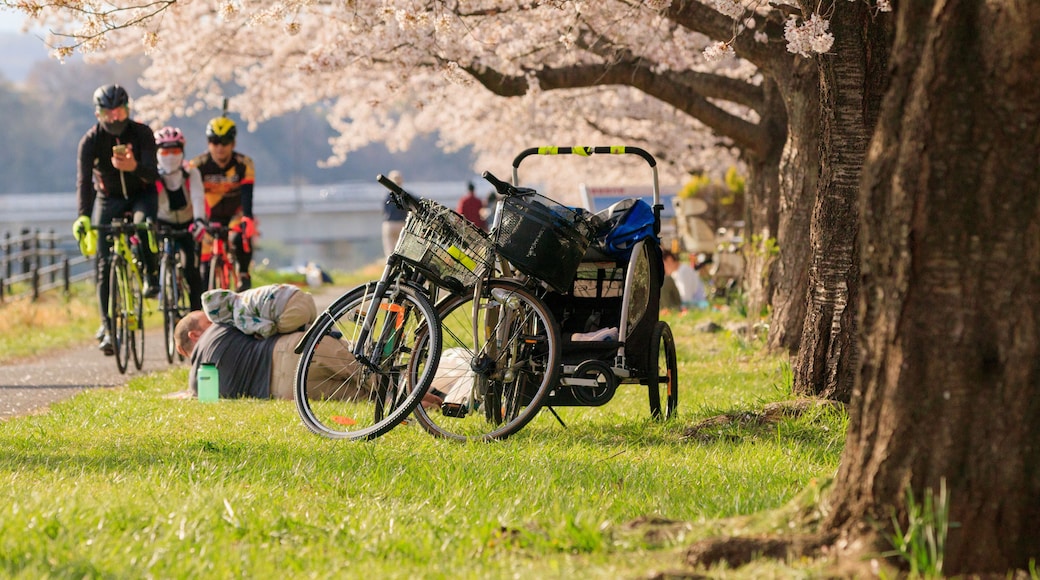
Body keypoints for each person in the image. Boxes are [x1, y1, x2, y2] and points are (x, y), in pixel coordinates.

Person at [73, 84, 160, 356]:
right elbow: (84, 182)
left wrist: (134, 167)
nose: (115, 119)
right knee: (103, 263)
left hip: (140, 195)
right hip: (108, 198)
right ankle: (107, 326)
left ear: (128, 110)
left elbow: (153, 175)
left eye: (120, 112)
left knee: (144, 225)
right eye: (108, 113)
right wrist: (83, 217)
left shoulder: (142, 133)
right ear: (98, 114)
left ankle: (150, 275)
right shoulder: (90, 141)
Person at [191, 116, 256, 292]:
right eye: (214, 141)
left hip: (235, 213)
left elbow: (247, 195)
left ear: (233, 144)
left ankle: (243, 274)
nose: (219, 147)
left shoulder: (244, 164)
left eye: (225, 142)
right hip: (209, 217)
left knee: (239, 237)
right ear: (208, 142)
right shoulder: (197, 166)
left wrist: (247, 218)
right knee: (203, 267)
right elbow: (193, 196)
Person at [154, 126, 206, 311]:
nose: (170, 156)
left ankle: (195, 313)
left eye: (175, 151)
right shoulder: (153, 176)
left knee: (191, 269)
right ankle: (157, 286)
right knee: (154, 257)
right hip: (162, 223)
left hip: (187, 224)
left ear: (182, 151)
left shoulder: (191, 173)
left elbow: (198, 198)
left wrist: (200, 221)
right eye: (165, 151)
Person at [381, 169, 407, 258]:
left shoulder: (387, 196)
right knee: (403, 250)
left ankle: (390, 269)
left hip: (389, 224)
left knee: (389, 251)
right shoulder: (404, 195)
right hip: (402, 224)